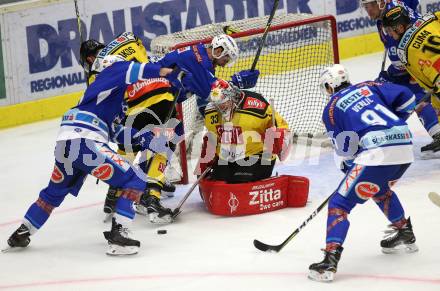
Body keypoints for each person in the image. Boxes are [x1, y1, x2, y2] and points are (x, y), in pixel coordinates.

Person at [6, 55, 177, 256]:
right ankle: (119, 234)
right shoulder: (111, 73)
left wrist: (144, 137)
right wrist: (164, 72)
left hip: (68, 144)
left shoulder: (102, 96)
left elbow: (115, 132)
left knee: (53, 192)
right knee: (135, 178)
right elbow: (128, 68)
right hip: (85, 142)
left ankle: (22, 231)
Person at [308, 64, 418, 282]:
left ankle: (329, 262)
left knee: (339, 205)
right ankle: (404, 231)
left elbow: (344, 150)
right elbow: (408, 98)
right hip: (405, 145)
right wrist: (393, 123)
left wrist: (350, 165)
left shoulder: (331, 108)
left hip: (376, 153)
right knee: (379, 189)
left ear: (330, 86)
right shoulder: (370, 86)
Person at [80, 32, 180, 223]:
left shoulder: (96, 70)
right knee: (163, 144)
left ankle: (114, 194)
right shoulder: (128, 38)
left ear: (90, 58)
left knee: (127, 147)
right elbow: (147, 59)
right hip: (158, 93)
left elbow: (100, 99)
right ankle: (152, 195)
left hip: (133, 105)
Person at [361, 0, 440, 158]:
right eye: (365, 6)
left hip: (417, 61)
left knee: (414, 98)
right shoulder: (392, 13)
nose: (368, 10)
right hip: (420, 52)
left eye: (370, 5)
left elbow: (400, 65)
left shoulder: (400, 44)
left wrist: (388, 76)